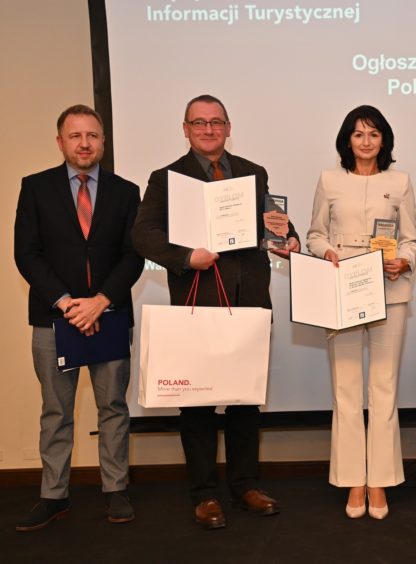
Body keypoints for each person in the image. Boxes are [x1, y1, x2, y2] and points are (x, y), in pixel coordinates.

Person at [132, 94, 300, 529]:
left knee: (246, 402)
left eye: (216, 122)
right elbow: (143, 234)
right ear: (185, 129)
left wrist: (288, 239)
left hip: (250, 305)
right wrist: (187, 257)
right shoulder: (166, 178)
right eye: (199, 123)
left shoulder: (253, 172)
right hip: (198, 304)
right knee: (198, 406)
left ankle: (245, 486)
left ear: (228, 128)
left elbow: (276, 224)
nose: (208, 130)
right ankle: (205, 494)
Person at [14, 104, 144, 531]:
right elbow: (26, 253)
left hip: (110, 314)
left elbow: (133, 255)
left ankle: (116, 490)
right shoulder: (35, 188)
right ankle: (54, 496)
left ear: (103, 142)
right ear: (60, 142)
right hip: (54, 318)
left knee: (113, 408)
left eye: (92, 135)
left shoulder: (126, 192)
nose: (84, 143)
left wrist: (100, 301)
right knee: (56, 411)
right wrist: (68, 303)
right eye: (75, 135)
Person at [306, 105, 416, 519]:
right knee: (347, 389)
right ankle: (354, 479)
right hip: (344, 291)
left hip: (389, 291)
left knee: (384, 387)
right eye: (358, 134)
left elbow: (411, 240)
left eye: (373, 134)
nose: (366, 141)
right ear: (347, 140)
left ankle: (380, 482)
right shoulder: (329, 180)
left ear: (384, 139)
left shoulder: (400, 181)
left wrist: (404, 261)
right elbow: (314, 234)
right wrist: (327, 252)